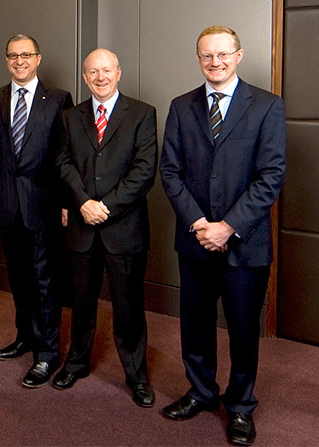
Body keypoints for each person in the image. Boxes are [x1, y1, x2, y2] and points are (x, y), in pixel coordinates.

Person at [159, 26, 286, 446]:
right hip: (195, 241)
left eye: (222, 54)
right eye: (206, 56)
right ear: (198, 59)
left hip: (244, 244)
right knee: (195, 324)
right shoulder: (181, 106)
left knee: (243, 329)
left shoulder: (266, 106)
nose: (215, 62)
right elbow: (171, 172)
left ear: (239, 55)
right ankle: (201, 391)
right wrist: (200, 224)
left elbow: (271, 177)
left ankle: (241, 406)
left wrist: (227, 227)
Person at [53, 49, 157, 407]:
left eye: (107, 70)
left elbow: (144, 171)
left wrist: (106, 207)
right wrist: (82, 202)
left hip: (123, 228)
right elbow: (63, 164)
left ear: (119, 73)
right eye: (93, 72)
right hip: (82, 226)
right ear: (84, 77)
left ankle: (136, 375)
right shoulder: (70, 116)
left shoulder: (142, 114)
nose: (100, 77)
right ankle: (76, 362)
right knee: (81, 303)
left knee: (129, 308)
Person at [0, 34, 73, 387]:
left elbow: (66, 156)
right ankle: (25, 337)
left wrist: (67, 202)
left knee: (45, 280)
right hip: (6, 203)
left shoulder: (60, 99)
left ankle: (47, 353)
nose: (20, 61)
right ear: (7, 60)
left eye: (26, 55)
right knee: (18, 277)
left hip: (43, 205)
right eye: (13, 56)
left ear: (38, 58)